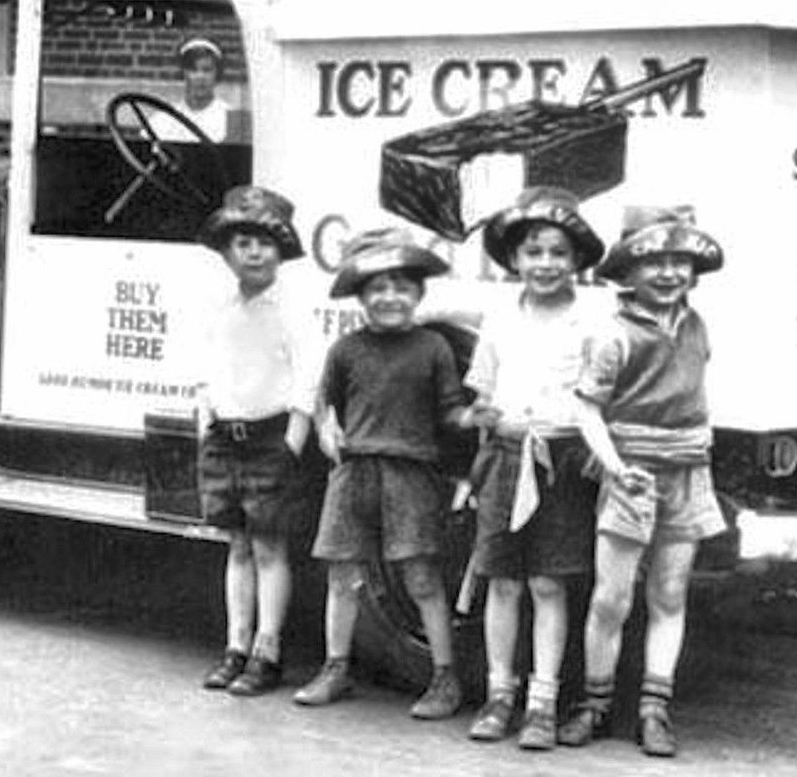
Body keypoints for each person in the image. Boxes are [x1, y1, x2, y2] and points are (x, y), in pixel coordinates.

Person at [559, 205, 727, 759]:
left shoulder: (696, 324)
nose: (669, 273)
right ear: (627, 271)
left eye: (680, 261)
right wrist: (614, 465)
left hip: (688, 472)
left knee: (670, 593)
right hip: (631, 476)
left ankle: (655, 708)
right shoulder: (612, 334)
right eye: (653, 260)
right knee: (611, 599)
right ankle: (595, 703)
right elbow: (587, 408)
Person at [293, 227, 470, 720]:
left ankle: (444, 677)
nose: (389, 297)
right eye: (377, 288)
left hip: (410, 474)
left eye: (401, 287)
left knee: (421, 577)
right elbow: (324, 402)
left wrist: (473, 419)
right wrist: (327, 428)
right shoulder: (346, 349)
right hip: (354, 475)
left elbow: (452, 409)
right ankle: (336, 668)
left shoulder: (433, 346)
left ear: (418, 294)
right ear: (360, 296)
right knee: (343, 575)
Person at [460, 186, 605, 750]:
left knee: (549, 582)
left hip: (563, 461)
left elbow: (601, 400)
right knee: (503, 581)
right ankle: (500, 696)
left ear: (576, 260)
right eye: (533, 253)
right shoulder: (499, 319)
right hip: (505, 457)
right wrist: (488, 420)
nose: (545, 264)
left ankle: (543, 703)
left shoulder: (592, 321)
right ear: (514, 260)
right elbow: (480, 397)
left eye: (557, 253)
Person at [193, 186, 317, 696]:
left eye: (267, 242)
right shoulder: (218, 307)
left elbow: (308, 380)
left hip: (271, 439)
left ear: (282, 250)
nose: (255, 252)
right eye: (243, 242)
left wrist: (293, 441)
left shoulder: (289, 310)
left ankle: (268, 651)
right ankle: (235, 646)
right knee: (237, 546)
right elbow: (206, 370)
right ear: (226, 251)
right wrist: (206, 421)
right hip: (226, 438)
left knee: (270, 547)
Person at [146, 37, 231, 143]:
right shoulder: (164, 118)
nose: (200, 77)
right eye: (193, 70)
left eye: (207, 70)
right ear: (183, 74)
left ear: (217, 74)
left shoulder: (229, 120)